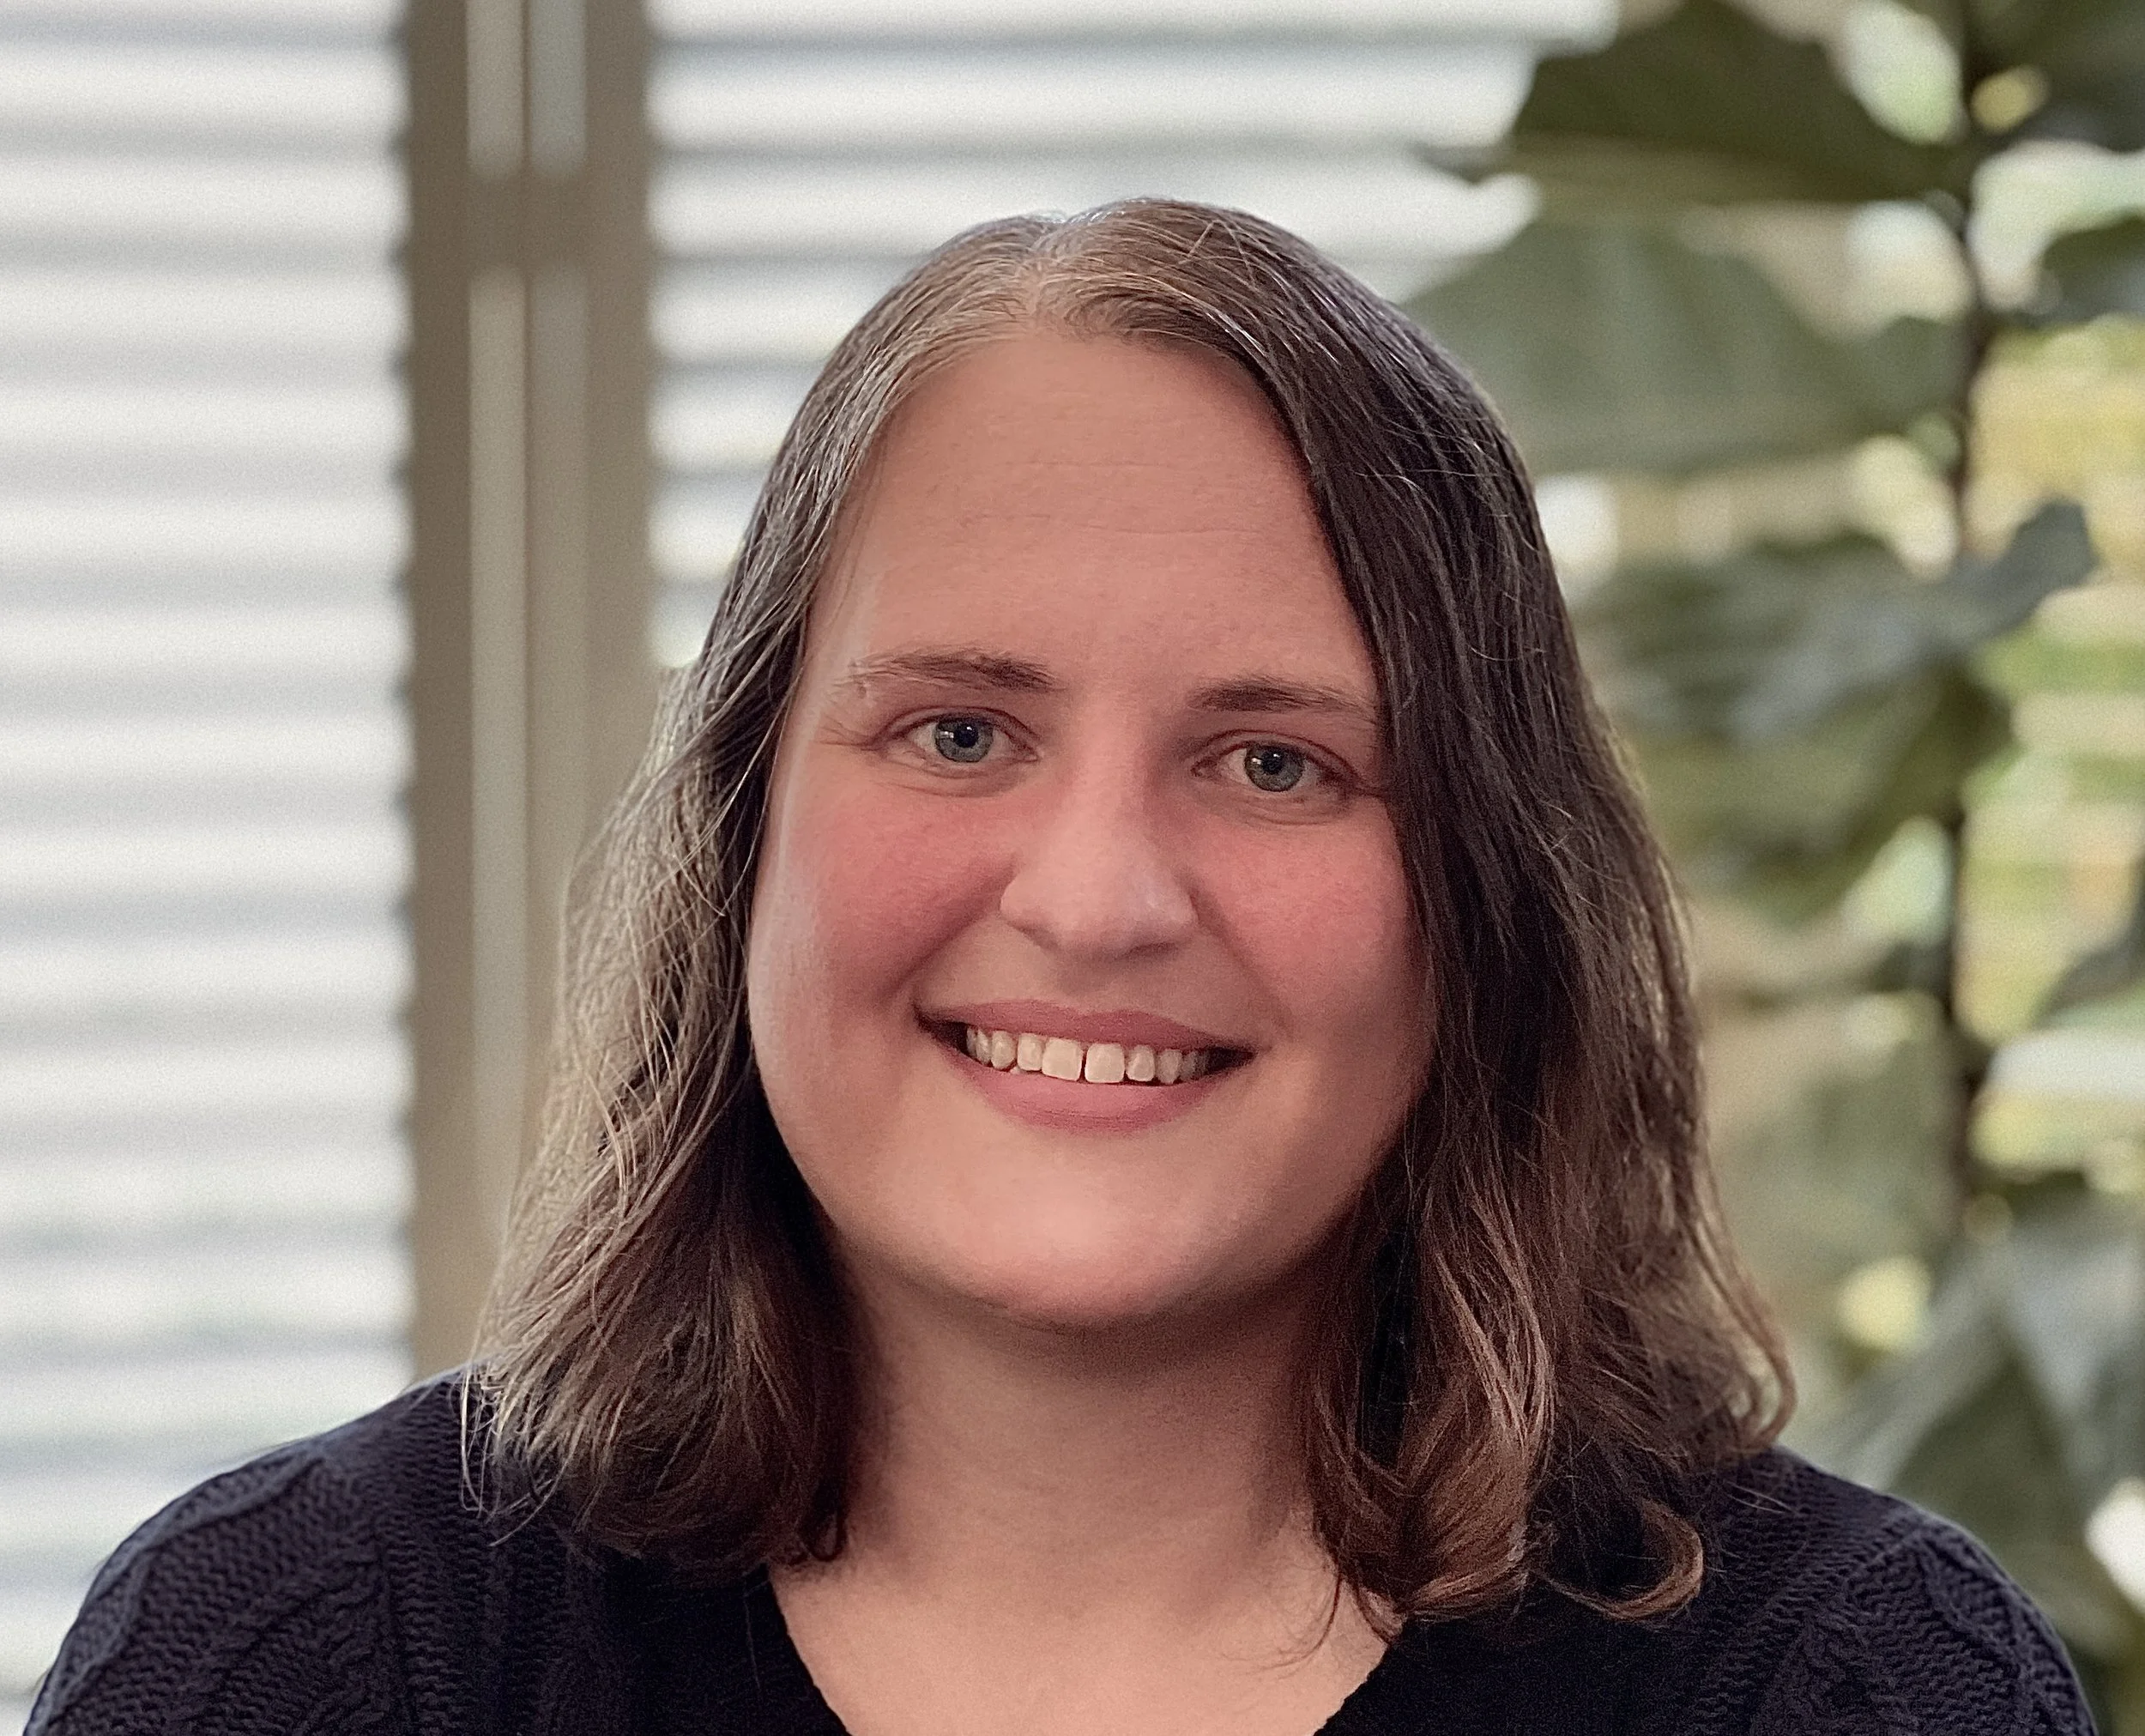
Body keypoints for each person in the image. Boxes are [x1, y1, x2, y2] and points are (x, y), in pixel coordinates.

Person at [29, 199, 2092, 1736]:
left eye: (1275, 762)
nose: (1098, 898)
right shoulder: (301, 1658)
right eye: (956, 733)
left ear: (1485, 892)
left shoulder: (1856, 1691)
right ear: (750, 825)